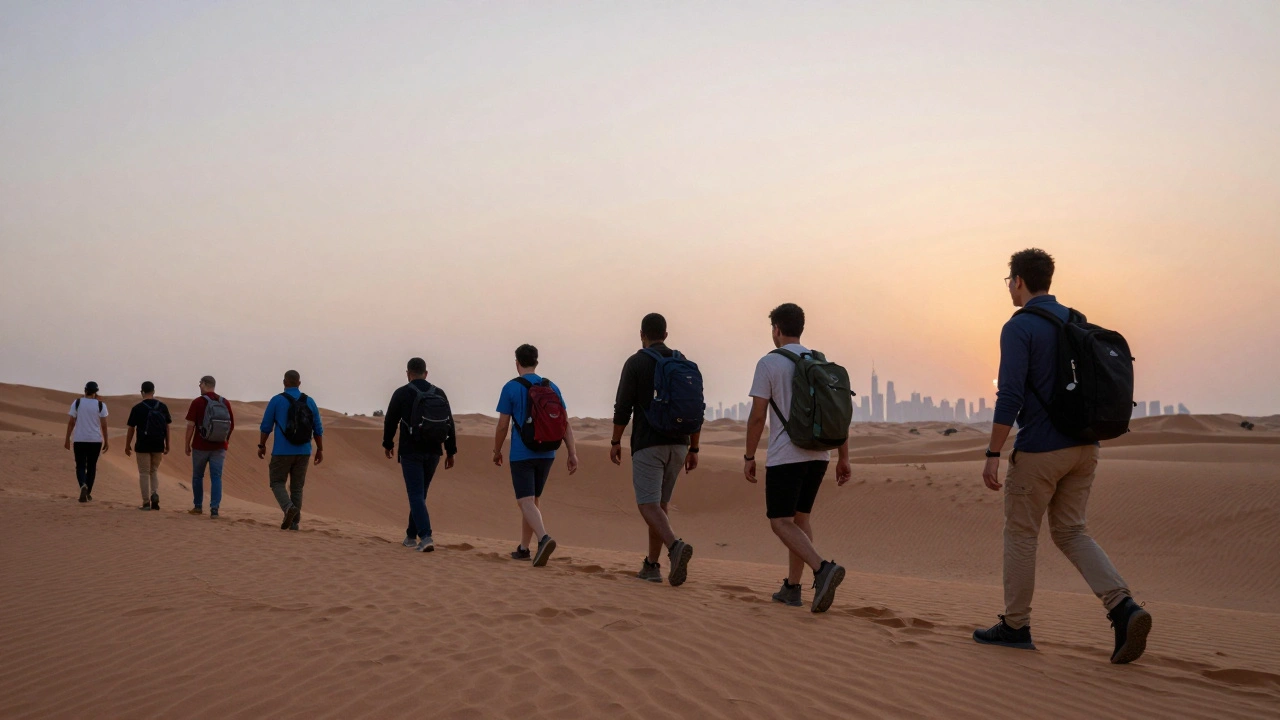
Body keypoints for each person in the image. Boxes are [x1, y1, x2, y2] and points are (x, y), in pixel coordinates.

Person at [973, 248, 1151, 664]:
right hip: (1085, 447)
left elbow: (1011, 395)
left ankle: (1015, 627)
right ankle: (1123, 607)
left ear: (1018, 281)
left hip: (1040, 450)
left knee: (1020, 534)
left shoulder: (1019, 328)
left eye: (1009, 281)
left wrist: (992, 451)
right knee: (1072, 531)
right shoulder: (1077, 320)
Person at [744, 303, 851, 613]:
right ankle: (792, 588)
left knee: (780, 522)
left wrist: (749, 455)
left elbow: (757, 416)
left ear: (777, 329)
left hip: (786, 455)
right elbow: (839, 413)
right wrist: (843, 456)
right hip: (820, 455)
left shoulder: (769, 363)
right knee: (800, 520)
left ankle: (822, 569)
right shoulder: (819, 361)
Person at [610, 313, 699, 586]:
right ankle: (651, 565)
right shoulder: (683, 363)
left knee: (647, 505)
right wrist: (694, 447)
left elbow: (623, 406)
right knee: (659, 507)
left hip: (649, 444)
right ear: (666, 334)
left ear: (641, 334)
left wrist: (615, 442)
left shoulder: (636, 363)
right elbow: (695, 408)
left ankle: (674, 547)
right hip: (680, 444)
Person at [492, 344, 579, 566]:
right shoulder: (552, 387)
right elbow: (564, 422)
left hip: (523, 453)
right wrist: (572, 452)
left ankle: (543, 539)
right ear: (537, 362)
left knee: (525, 500)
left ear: (516, 362)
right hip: (548, 452)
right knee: (532, 501)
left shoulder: (510, 388)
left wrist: (496, 450)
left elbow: (503, 425)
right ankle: (523, 548)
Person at [383, 357, 457, 552]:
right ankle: (410, 536)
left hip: (411, 451)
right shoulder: (439, 393)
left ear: (408, 373)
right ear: (426, 373)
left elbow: (390, 420)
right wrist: (450, 451)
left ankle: (425, 536)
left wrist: (388, 444)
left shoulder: (402, 393)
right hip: (434, 452)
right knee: (420, 495)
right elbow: (450, 423)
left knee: (416, 495)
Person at [257, 370, 324, 531]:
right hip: (303, 451)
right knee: (297, 487)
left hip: (282, 451)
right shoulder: (310, 401)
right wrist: (320, 449)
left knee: (277, 482)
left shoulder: (276, 400)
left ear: (284, 382)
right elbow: (318, 429)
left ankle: (288, 508)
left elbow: (266, 426)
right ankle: (295, 523)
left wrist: (262, 445)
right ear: (299, 383)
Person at [184, 376, 234, 518]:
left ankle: (198, 507)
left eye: (200, 383)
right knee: (216, 477)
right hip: (219, 447)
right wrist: (225, 441)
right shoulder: (224, 402)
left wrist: (187, 445)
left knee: (198, 476)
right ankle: (214, 509)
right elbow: (231, 425)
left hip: (200, 446)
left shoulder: (197, 402)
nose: (199, 386)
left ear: (205, 384)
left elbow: (190, 426)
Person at [125, 381, 171, 510]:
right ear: (154, 391)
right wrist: (168, 444)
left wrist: (127, 445)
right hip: (158, 444)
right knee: (154, 471)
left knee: (144, 473)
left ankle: (146, 502)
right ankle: (154, 494)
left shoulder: (137, 408)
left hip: (143, 444)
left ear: (142, 392)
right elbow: (167, 427)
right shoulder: (162, 407)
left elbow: (131, 428)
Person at [65, 381, 109, 503]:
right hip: (95, 440)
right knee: (91, 467)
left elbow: (71, 422)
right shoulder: (101, 405)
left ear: (85, 390)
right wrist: (106, 440)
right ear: (95, 392)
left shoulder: (77, 403)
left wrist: (67, 439)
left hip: (80, 439)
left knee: (80, 465)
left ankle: (83, 486)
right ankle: (88, 492)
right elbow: (104, 425)